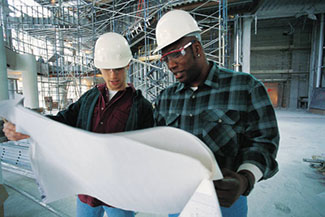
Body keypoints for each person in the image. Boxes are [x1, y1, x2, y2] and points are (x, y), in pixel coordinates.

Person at [3, 32, 154, 217]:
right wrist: (29, 127)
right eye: (107, 69)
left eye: (119, 68)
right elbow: (63, 120)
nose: (113, 75)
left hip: (118, 194)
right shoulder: (90, 98)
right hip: (87, 189)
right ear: (99, 67)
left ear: (128, 65)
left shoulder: (141, 107)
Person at [152, 10, 279, 217]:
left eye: (175, 54)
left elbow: (265, 141)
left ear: (196, 48)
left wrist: (245, 178)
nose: (170, 65)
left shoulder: (245, 87)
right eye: (165, 58)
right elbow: (159, 144)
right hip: (178, 200)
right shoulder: (166, 98)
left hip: (226, 202)